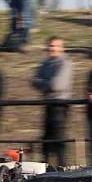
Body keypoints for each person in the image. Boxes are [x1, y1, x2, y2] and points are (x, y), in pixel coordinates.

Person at [32, 37, 72, 167]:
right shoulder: (46, 62)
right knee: (47, 139)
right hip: (49, 103)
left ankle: (62, 167)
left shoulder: (66, 64)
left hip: (60, 104)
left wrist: (44, 84)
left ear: (62, 48)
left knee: (59, 138)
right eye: (51, 46)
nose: (53, 48)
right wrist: (47, 84)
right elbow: (33, 80)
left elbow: (58, 85)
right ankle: (45, 168)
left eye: (56, 46)